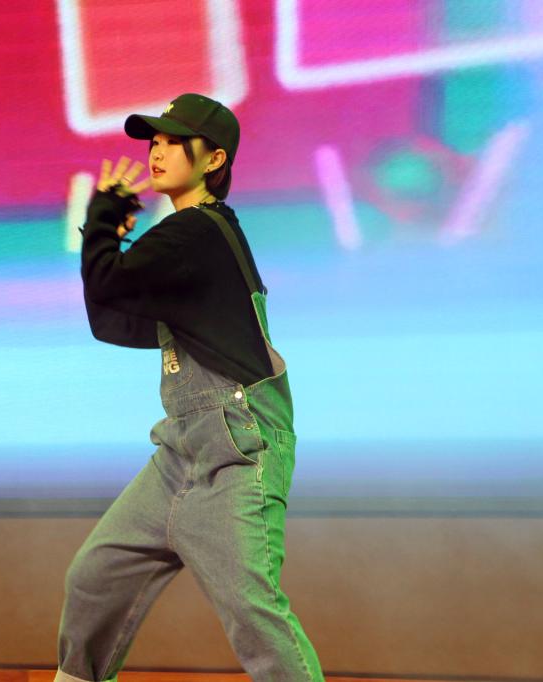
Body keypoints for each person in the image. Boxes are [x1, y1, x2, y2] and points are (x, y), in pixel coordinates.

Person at [56, 93, 324, 682]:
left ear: (214, 159)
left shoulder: (197, 230)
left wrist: (103, 218)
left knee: (254, 615)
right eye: (154, 141)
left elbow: (109, 283)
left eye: (175, 142)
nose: (157, 151)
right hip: (182, 451)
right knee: (95, 579)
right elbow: (111, 317)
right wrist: (108, 238)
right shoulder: (190, 241)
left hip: (237, 449)